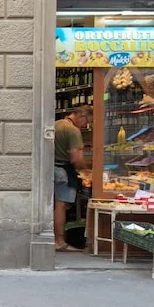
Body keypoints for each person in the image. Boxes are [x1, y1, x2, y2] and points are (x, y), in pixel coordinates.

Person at [54, 105, 91, 252]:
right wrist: (86, 171)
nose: (86, 125)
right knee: (61, 206)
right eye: (87, 121)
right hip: (64, 172)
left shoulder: (57, 124)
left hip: (52, 169)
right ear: (82, 116)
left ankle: (53, 239)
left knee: (54, 206)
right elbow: (76, 158)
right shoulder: (73, 130)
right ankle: (60, 241)